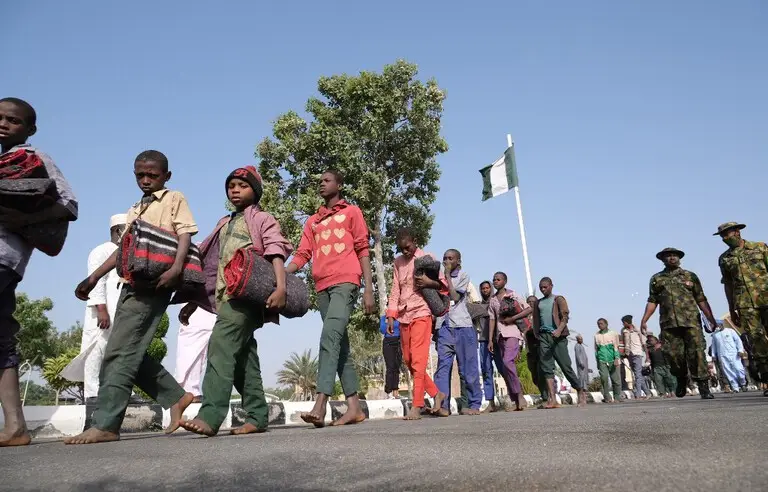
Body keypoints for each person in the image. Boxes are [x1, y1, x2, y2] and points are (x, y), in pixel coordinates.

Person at [67, 150, 196, 444]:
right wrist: (94, 277)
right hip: (131, 282)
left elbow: (185, 233)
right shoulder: (135, 209)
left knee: (118, 354)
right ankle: (176, 398)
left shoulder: (174, 198)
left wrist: (176, 269)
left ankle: (107, 424)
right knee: (123, 352)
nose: (146, 180)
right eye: (140, 175)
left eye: (153, 175)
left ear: (167, 176)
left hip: (156, 282)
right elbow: (124, 249)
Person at [178, 165, 292, 436]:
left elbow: (276, 250)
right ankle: (257, 416)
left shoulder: (262, 219)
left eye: (243, 185)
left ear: (256, 190)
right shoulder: (225, 223)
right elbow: (209, 266)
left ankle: (210, 414)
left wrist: (281, 288)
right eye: (232, 186)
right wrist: (194, 300)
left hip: (248, 297)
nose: (236, 190)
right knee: (243, 357)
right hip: (225, 299)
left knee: (220, 344)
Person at [0, 97, 78, 447]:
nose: (4, 124)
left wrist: (19, 216)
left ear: (30, 129)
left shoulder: (35, 159)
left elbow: (68, 205)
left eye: (13, 120)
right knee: (2, 342)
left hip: (4, 258)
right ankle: (16, 426)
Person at [288, 170, 375, 427]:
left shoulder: (352, 212)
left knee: (329, 337)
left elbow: (362, 248)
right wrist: (282, 273)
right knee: (340, 345)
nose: (321, 185)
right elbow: (303, 254)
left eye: (326, 181)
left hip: (346, 281)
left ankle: (320, 403)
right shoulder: (313, 221)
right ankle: (354, 408)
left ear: (339, 184)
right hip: (322, 288)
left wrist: (368, 288)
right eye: (319, 182)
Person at [639, 247, 719, 400]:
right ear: (662, 259)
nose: (672, 258)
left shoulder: (690, 276)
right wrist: (644, 320)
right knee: (674, 356)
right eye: (668, 256)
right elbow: (652, 301)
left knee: (697, 353)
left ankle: (703, 387)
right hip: (669, 324)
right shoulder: (657, 279)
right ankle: (681, 379)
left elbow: (701, 298)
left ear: (679, 258)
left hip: (691, 322)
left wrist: (710, 318)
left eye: (674, 255)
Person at [386, 228, 446, 420]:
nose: (405, 251)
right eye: (401, 248)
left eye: (408, 247)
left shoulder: (427, 258)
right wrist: (390, 315)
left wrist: (428, 282)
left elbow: (443, 286)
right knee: (409, 360)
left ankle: (417, 404)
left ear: (415, 241)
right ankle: (437, 394)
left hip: (422, 313)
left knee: (419, 361)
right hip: (403, 316)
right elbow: (395, 289)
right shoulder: (398, 263)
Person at [78, 214, 127, 403]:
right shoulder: (101, 251)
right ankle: (92, 393)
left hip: (120, 312)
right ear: (116, 230)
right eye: (125, 228)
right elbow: (95, 281)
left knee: (119, 352)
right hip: (102, 313)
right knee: (96, 350)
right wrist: (101, 309)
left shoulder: (125, 252)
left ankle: (120, 392)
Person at [715, 222, 768, 396]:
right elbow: (728, 285)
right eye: (722, 236)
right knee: (756, 340)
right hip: (745, 305)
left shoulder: (759, 248)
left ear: (737, 232)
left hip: (766, 298)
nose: (724, 239)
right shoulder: (725, 259)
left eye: (726, 235)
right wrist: (732, 309)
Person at [432, 249, 483, 416]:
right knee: (443, 367)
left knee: (468, 368)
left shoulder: (463, 276)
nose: (446, 261)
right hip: (444, 327)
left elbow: (454, 296)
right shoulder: (436, 279)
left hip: (463, 326)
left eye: (450, 258)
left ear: (458, 261)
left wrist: (447, 276)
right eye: (445, 258)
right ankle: (443, 406)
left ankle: (472, 404)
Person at [532, 277, 587, 408]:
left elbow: (565, 317)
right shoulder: (538, 303)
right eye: (541, 287)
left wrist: (559, 330)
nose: (543, 289)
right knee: (547, 368)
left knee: (565, 366)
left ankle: (580, 390)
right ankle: (552, 398)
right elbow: (536, 320)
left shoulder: (558, 299)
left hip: (558, 337)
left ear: (551, 286)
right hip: (544, 336)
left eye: (545, 287)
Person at [488, 272, 531, 411]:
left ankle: (519, 396)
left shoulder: (513, 295)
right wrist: (490, 339)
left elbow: (529, 309)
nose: (495, 281)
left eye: (498, 279)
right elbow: (492, 319)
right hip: (500, 336)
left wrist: (513, 318)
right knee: (506, 367)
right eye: (494, 279)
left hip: (513, 332)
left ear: (505, 281)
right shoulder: (493, 300)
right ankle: (516, 399)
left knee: (507, 362)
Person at [473, 281, 505, 412]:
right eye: (483, 289)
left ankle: (514, 397)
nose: (485, 290)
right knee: (486, 371)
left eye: (487, 288)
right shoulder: (477, 306)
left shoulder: (497, 303)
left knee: (504, 368)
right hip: (483, 341)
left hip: (497, 340)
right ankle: (490, 402)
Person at [175, 305, 217, 402]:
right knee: (193, 341)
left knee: (201, 349)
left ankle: (190, 390)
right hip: (198, 300)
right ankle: (184, 390)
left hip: (210, 302)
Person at [710, 323, 748, 392]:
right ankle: (735, 387)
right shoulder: (715, 335)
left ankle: (743, 384)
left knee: (739, 369)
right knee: (728, 371)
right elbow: (714, 346)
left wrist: (740, 350)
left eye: (719, 325)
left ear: (722, 325)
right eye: (716, 326)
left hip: (734, 354)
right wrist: (713, 355)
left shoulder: (730, 331)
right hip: (722, 355)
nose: (718, 327)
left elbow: (738, 341)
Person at [525, 295, 548, 402]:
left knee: (541, 372)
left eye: (533, 302)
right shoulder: (524, 317)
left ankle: (545, 396)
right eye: (529, 302)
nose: (531, 303)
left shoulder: (540, 315)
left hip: (540, 347)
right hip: (530, 350)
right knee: (534, 374)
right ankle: (544, 392)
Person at [622, 315, 651, 399]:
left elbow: (644, 344)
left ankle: (638, 394)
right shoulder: (624, 331)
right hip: (629, 355)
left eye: (623, 322)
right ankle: (647, 392)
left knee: (638, 375)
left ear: (627, 322)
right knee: (637, 375)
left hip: (637, 354)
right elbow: (625, 344)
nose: (623, 324)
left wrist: (647, 356)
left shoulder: (637, 331)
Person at [594, 318, 621, 403]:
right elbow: (596, 350)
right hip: (602, 360)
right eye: (598, 324)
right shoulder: (596, 335)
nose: (599, 325)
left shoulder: (613, 334)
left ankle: (617, 397)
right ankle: (607, 397)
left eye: (601, 323)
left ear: (606, 324)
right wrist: (597, 362)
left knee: (615, 379)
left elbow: (616, 347)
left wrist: (617, 358)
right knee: (604, 378)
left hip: (613, 359)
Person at [380, 315, 401, 399]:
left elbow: (402, 328)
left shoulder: (400, 317)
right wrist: (388, 322)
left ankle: (395, 392)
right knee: (390, 367)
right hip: (388, 342)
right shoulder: (383, 318)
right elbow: (382, 330)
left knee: (396, 367)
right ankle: (388, 392)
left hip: (399, 342)